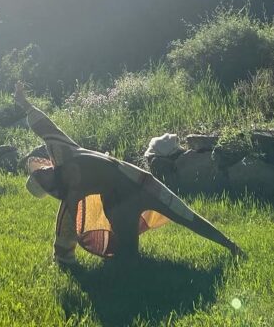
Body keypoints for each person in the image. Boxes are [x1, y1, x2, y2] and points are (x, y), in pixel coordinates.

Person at [15, 82, 243, 265]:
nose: (44, 170)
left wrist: (25, 105)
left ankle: (230, 245)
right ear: (47, 187)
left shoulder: (63, 153)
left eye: (41, 170)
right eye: (41, 177)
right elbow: (64, 237)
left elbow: (47, 128)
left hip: (140, 181)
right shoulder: (69, 198)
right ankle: (133, 272)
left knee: (184, 214)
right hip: (119, 205)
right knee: (128, 257)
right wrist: (63, 259)